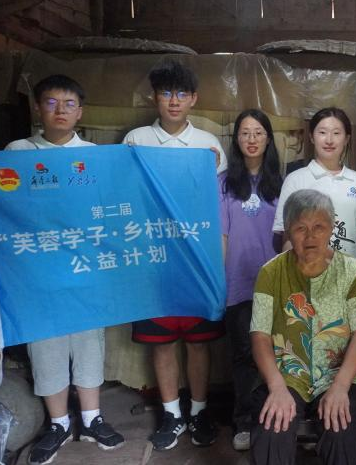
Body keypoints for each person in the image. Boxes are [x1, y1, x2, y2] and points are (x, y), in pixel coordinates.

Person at [6, 74, 125, 464]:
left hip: (85, 266)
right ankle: (57, 423)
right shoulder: (18, 152)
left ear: (80, 112)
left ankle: (91, 418)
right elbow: (4, 207)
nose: (60, 110)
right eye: (52, 102)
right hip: (38, 270)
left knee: (89, 342)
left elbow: (108, 207)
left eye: (69, 104)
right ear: (37, 108)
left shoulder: (93, 155)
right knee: (46, 346)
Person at [124, 59, 226, 450]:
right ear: (155, 97)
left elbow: (217, 205)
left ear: (193, 99)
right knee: (162, 341)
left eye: (181, 93)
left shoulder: (208, 145)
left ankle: (199, 411)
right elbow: (125, 197)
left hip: (196, 260)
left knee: (199, 342)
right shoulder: (135, 141)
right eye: (166, 92)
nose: (173, 101)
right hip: (153, 259)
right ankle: (171, 414)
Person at [250, 189, 356, 465]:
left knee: (340, 428)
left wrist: (341, 386)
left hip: (340, 373)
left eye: (319, 227)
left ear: (331, 227)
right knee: (272, 428)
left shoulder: (352, 272)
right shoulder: (270, 272)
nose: (310, 237)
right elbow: (259, 336)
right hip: (286, 373)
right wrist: (276, 387)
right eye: (300, 228)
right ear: (288, 231)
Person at [220, 109, 284, 452]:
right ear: (236, 139)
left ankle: (277, 420)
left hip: (275, 284)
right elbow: (222, 236)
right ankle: (245, 422)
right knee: (244, 355)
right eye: (245, 133)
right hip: (238, 283)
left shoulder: (283, 183)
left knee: (279, 353)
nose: (252, 139)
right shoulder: (224, 183)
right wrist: (220, 280)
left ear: (268, 138)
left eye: (258, 132)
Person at [272, 108, 356, 263]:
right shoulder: (296, 180)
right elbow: (288, 236)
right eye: (322, 132)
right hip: (308, 270)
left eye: (336, 133)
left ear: (347, 138)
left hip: (351, 270)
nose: (329, 140)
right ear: (312, 137)